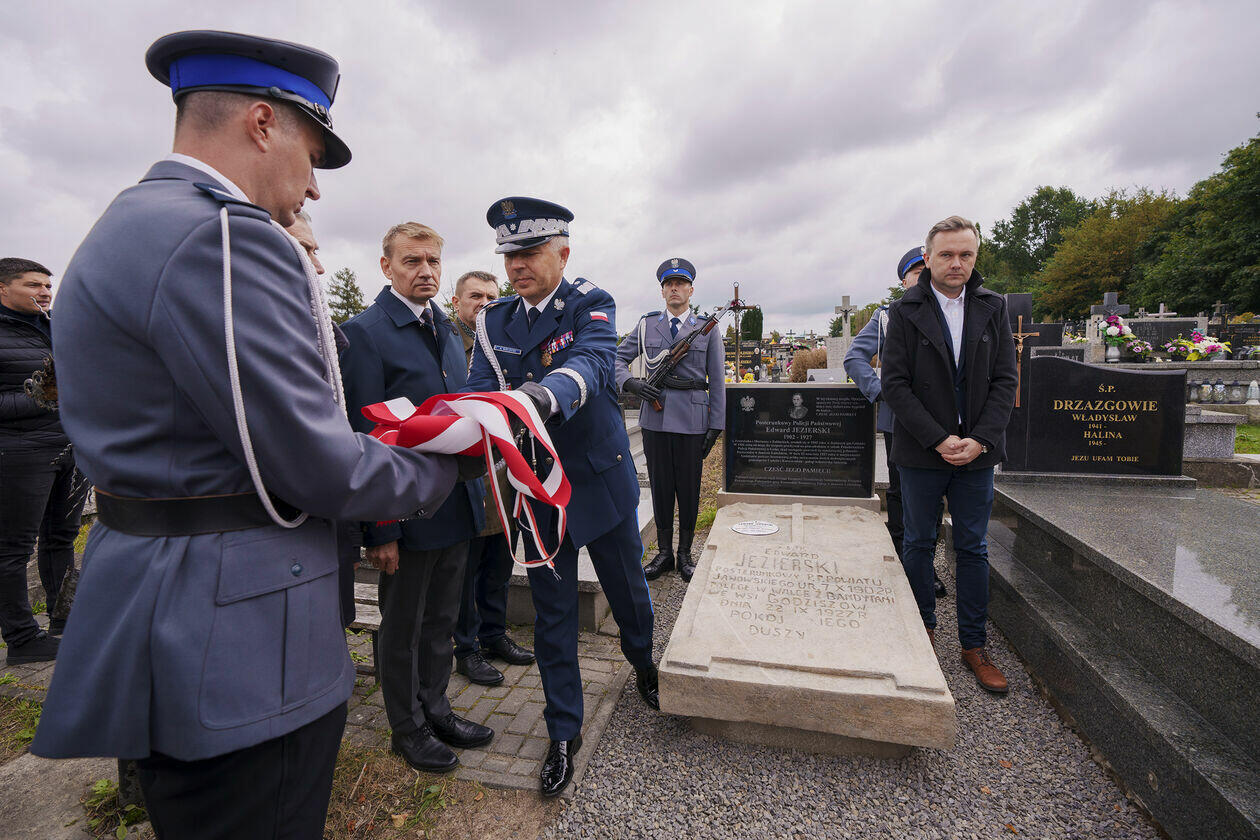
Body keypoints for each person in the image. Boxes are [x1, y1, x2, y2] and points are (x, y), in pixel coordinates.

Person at [31, 31, 478, 840]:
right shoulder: (227, 238)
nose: (314, 187)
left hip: (163, 601)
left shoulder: (130, 220)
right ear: (264, 124)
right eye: (313, 154)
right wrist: (457, 464)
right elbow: (318, 463)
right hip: (237, 637)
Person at [467, 197, 657, 798]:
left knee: (627, 592)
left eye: (529, 252)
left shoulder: (590, 303)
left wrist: (540, 398)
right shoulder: (494, 320)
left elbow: (592, 364)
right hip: (538, 490)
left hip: (598, 479)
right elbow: (480, 389)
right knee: (553, 618)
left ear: (563, 254)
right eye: (509, 255)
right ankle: (564, 731)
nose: (517, 265)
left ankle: (643, 661)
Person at [339, 223, 491, 772]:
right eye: (412, 261)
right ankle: (406, 727)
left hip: (453, 502)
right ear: (386, 267)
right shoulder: (364, 333)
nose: (425, 271)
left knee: (441, 619)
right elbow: (363, 438)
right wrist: (381, 527)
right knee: (402, 625)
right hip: (404, 509)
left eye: (433, 261)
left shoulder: (445, 329)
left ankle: (437, 708)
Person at [880, 216, 1017, 694]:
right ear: (928, 257)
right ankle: (923, 632)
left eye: (966, 254)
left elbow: (1005, 380)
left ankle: (974, 645)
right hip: (922, 451)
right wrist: (938, 438)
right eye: (947, 254)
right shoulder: (904, 310)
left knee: (973, 548)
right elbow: (895, 384)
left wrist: (981, 439)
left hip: (976, 452)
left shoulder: (992, 306)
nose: (956, 263)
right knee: (919, 542)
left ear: (975, 257)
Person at [844, 246, 948, 599]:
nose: (922, 277)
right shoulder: (887, 317)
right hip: (900, 421)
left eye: (926, 270)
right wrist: (881, 392)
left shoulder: (949, 312)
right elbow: (855, 357)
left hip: (942, 420)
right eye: (915, 273)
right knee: (902, 492)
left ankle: (927, 564)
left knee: (935, 495)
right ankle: (904, 559)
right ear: (904, 281)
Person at [449, 270, 536, 686]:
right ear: (457, 303)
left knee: (500, 561)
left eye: (491, 297)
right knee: (467, 569)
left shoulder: (503, 342)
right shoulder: (451, 344)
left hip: (504, 469)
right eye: (475, 297)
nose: (484, 304)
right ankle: (466, 648)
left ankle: (494, 634)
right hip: (467, 472)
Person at [0, 258, 88, 663]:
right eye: (34, 285)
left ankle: (65, 620)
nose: (45, 292)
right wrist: (44, 397)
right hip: (19, 453)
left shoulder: (57, 326)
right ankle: (21, 639)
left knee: (61, 538)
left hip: (70, 447)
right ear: (3, 287)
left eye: (48, 285)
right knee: (13, 548)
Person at [614, 257, 724, 582]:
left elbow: (717, 379)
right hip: (655, 418)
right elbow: (616, 358)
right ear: (662, 291)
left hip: (692, 418)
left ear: (691, 290)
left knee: (688, 488)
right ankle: (664, 553)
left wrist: (716, 423)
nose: (674, 288)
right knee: (661, 487)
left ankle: (685, 554)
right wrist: (631, 383)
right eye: (669, 284)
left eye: (680, 283)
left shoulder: (707, 328)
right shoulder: (647, 325)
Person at [286, 212, 360, 629]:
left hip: (327, 527)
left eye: (316, 251)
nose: (318, 267)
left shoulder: (326, 336)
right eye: (304, 250)